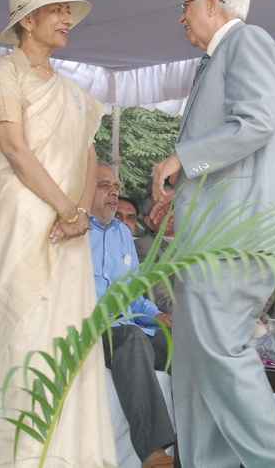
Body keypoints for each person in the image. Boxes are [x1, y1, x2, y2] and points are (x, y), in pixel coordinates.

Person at [151, 0, 275, 467]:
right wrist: (182, 195)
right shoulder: (215, 59)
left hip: (238, 237)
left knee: (221, 355)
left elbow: (256, 122)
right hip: (211, 237)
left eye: (185, 5)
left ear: (212, 4)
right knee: (195, 368)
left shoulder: (248, 41)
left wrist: (183, 158)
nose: (181, 17)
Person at [0, 0, 115, 466]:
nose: (68, 18)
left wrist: (81, 213)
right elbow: (13, 146)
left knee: (66, 339)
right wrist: (65, 208)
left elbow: (90, 157)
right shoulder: (3, 72)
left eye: (68, 10)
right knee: (19, 335)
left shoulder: (75, 94)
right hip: (24, 219)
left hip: (70, 230)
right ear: (28, 21)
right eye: (57, 10)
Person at [89, 164, 175, 467]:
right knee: (132, 337)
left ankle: (197, 445)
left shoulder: (123, 235)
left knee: (184, 345)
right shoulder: (75, 230)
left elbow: (134, 295)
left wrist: (158, 315)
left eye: (116, 186)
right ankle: (152, 450)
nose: (114, 192)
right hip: (90, 330)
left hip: (128, 327)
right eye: (104, 185)